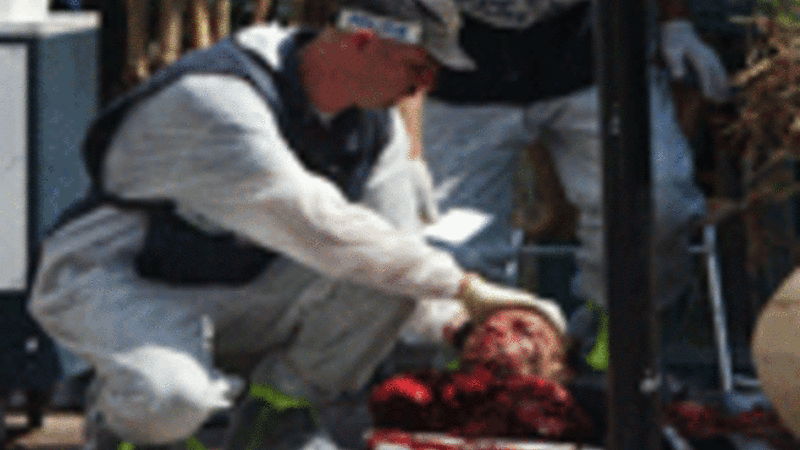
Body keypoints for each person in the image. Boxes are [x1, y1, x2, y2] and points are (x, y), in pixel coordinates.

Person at [27, 0, 569, 449]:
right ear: (363, 40)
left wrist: (462, 325)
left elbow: (395, 251)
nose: (425, 86)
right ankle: (124, 427)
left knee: (394, 264)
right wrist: (467, 287)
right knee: (171, 400)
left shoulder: (374, 128)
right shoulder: (216, 99)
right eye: (418, 65)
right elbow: (316, 224)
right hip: (126, 283)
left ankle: (277, 413)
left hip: (239, 281)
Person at [399, 0, 731, 339]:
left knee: (657, 204)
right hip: (458, 82)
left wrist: (676, 22)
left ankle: (611, 336)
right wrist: (410, 144)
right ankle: (472, 351)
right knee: (446, 238)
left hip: (595, 65)